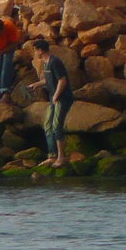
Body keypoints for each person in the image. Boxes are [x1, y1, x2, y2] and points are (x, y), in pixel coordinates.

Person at [29, 39, 73, 168]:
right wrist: (36, 84)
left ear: (40, 50)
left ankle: (62, 158)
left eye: (35, 50)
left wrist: (56, 96)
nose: (35, 53)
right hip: (54, 99)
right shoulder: (45, 63)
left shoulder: (54, 62)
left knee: (56, 126)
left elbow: (62, 80)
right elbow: (49, 80)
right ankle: (52, 156)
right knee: (48, 125)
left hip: (62, 98)